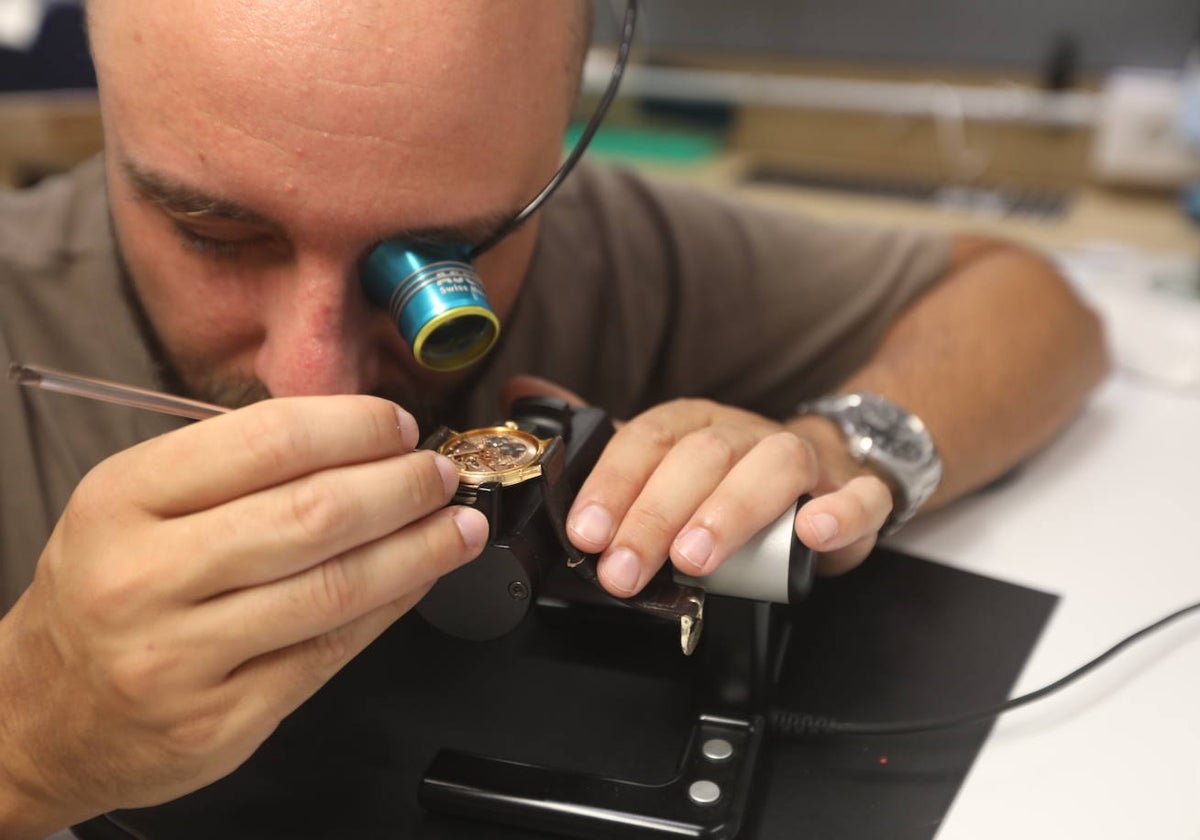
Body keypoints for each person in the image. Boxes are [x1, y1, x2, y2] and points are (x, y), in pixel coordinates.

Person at [0, 1, 1108, 836]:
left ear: (552, 163)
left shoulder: (609, 254)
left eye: (439, 263)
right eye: (213, 232)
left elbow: (1030, 303)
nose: (316, 380)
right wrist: (31, 745)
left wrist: (833, 453)